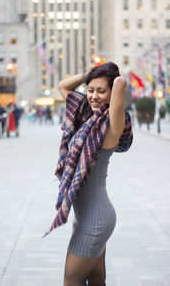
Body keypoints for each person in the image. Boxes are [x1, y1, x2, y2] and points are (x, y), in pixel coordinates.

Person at [43, 62, 133, 286]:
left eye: (101, 91)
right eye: (90, 90)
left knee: (70, 281)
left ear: (112, 94)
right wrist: (90, 75)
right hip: (85, 217)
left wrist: (108, 75)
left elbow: (121, 82)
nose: (93, 96)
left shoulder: (112, 124)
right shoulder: (87, 118)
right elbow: (64, 87)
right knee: (96, 279)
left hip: (97, 219)